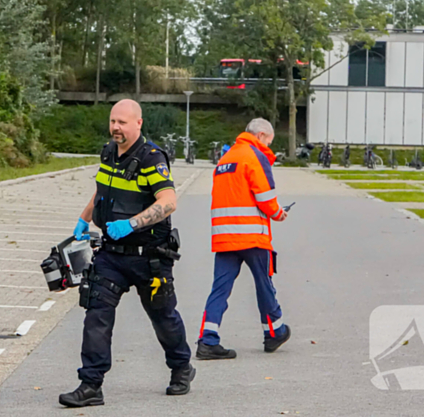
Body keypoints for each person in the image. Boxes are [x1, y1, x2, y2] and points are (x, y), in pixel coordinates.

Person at [59, 99, 195, 408]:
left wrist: (132, 224)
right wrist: (84, 217)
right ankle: (91, 384)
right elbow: (103, 188)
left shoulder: (152, 158)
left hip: (149, 257)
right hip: (111, 256)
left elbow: (169, 201)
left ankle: (181, 367)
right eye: (112, 121)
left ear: (138, 123)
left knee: (163, 316)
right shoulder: (109, 152)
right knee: (96, 315)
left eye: (122, 122)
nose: (116, 127)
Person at [196, 118, 290, 360]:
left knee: (219, 289)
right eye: (268, 142)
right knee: (264, 284)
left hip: (224, 237)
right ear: (260, 136)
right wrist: (279, 214)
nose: (268, 147)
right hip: (252, 236)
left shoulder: (226, 158)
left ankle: (207, 340)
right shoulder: (254, 156)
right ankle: (274, 331)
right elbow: (266, 196)